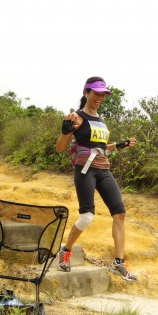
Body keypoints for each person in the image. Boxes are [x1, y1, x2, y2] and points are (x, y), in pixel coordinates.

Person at [55, 76, 138, 282]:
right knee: (87, 218)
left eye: (102, 94)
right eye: (96, 93)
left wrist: (119, 145)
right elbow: (60, 148)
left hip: (104, 169)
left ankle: (118, 263)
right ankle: (65, 251)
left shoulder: (100, 119)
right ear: (86, 93)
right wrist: (65, 132)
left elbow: (99, 147)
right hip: (86, 170)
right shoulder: (77, 117)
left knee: (120, 213)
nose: (99, 97)